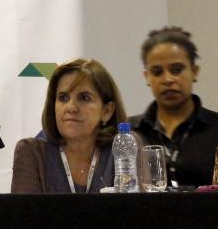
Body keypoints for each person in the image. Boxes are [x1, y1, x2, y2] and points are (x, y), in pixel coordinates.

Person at [11, 59, 131, 193]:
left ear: (106, 111)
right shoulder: (32, 153)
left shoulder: (124, 147)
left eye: (84, 98)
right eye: (63, 98)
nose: (71, 107)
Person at [130, 26, 218, 187]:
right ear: (147, 76)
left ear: (194, 71)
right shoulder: (129, 132)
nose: (168, 79)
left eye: (176, 70)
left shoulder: (215, 128)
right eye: (157, 72)